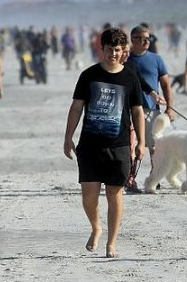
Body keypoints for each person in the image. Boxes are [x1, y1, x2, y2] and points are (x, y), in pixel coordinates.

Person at [64, 27, 146, 258]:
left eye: (117, 50)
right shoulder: (89, 75)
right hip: (90, 145)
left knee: (115, 193)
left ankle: (112, 243)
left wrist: (141, 142)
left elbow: (137, 111)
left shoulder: (130, 76)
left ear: (123, 52)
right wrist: (68, 137)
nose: (112, 53)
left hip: (119, 145)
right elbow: (76, 107)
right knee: (89, 196)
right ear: (102, 49)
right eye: (109, 49)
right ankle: (96, 227)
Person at [126, 25, 176, 185]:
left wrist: (169, 107)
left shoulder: (156, 59)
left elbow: (166, 85)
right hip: (127, 108)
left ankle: (155, 177)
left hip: (150, 109)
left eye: (148, 38)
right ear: (132, 40)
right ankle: (130, 178)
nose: (146, 41)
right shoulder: (125, 58)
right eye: (141, 38)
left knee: (154, 146)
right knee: (130, 145)